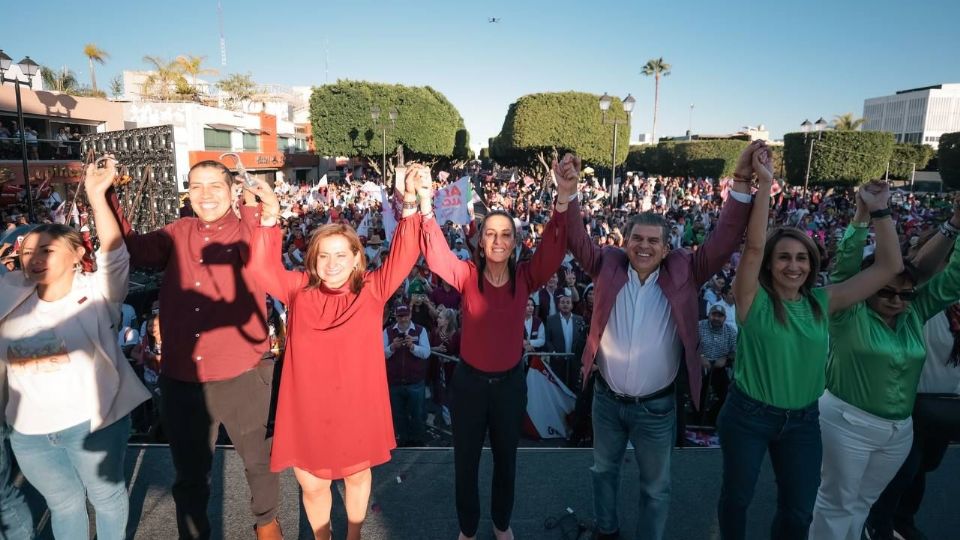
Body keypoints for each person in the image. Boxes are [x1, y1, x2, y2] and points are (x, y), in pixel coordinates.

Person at [564, 142, 760, 540]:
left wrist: (740, 180)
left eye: (654, 240)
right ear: (625, 240)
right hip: (606, 401)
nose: (644, 246)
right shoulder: (606, 264)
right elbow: (576, 239)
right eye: (637, 238)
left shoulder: (686, 270)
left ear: (667, 247)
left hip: (656, 409)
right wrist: (567, 192)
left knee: (656, 489)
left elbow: (723, 240)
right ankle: (607, 530)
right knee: (602, 472)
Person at [718, 155, 902, 540]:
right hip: (748, 416)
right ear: (770, 265)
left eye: (802, 258)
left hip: (803, 421)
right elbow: (752, 247)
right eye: (783, 257)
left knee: (799, 514)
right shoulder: (752, 300)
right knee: (737, 501)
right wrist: (765, 184)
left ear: (811, 263)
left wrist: (879, 211)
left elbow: (888, 268)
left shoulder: (824, 300)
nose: (793, 265)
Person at [99, 159, 282, 539]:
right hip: (183, 377)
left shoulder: (250, 227)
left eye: (215, 185)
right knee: (189, 475)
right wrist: (106, 195)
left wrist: (266, 213)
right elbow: (133, 248)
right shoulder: (177, 231)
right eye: (196, 186)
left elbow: (265, 251)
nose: (205, 194)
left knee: (258, 463)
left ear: (233, 191)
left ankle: (267, 525)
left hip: (244, 372)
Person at [244, 165, 428, 540]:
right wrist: (269, 217)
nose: (331, 264)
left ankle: (355, 534)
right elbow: (261, 268)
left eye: (341, 255)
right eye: (323, 256)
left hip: (357, 406)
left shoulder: (373, 290)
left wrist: (409, 201)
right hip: (307, 410)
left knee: (358, 477)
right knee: (312, 485)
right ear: (311, 260)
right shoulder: (297, 290)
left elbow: (406, 254)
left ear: (357, 258)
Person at [419, 157, 570, 540]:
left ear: (515, 242)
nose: (498, 240)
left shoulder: (525, 278)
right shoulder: (466, 276)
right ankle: (468, 530)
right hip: (468, 386)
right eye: (491, 234)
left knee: (507, 463)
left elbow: (552, 253)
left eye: (506, 234)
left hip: (508, 387)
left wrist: (564, 202)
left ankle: (502, 525)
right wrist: (423, 204)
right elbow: (436, 255)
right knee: (465, 465)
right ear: (480, 241)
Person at [0, 158, 150, 540]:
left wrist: (98, 196)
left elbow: (115, 254)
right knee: (63, 504)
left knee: (106, 496)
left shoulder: (97, 293)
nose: (34, 258)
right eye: (28, 252)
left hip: (91, 423)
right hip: (28, 432)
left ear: (77, 256)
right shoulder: (8, 293)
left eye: (47, 250)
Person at [809, 188, 960, 539]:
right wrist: (867, 215)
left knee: (863, 504)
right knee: (836, 505)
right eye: (886, 291)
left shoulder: (914, 312)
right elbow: (846, 265)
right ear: (866, 288)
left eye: (905, 293)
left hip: (899, 431)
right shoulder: (848, 312)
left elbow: (951, 281)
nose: (897, 300)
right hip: (846, 423)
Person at [384, 304, 432, 447]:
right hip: (395, 381)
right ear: (396, 316)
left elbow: (426, 352)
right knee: (398, 415)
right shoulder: (387, 331)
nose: (403, 319)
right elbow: (380, 354)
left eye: (405, 315)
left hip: (415, 381)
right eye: (400, 316)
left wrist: (412, 347)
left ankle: (418, 442)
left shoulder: (421, 330)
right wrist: (392, 347)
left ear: (410, 315)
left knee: (418, 414)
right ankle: (402, 441)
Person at [697, 304, 736, 426]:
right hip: (700, 367)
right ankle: (697, 419)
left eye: (720, 316)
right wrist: (700, 357)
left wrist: (725, 358)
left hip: (719, 367)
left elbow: (736, 351)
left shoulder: (730, 331)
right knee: (698, 394)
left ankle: (713, 419)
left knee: (727, 394)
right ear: (709, 315)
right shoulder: (699, 326)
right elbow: (689, 345)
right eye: (714, 315)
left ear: (724, 318)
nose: (716, 318)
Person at [543, 292, 587, 392]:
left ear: (572, 305)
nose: (565, 304)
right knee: (558, 387)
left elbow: (583, 340)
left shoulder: (579, 320)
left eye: (568, 302)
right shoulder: (551, 320)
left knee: (574, 386)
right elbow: (548, 340)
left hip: (574, 360)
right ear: (558, 305)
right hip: (558, 359)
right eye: (562, 302)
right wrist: (553, 353)